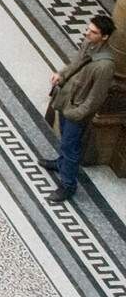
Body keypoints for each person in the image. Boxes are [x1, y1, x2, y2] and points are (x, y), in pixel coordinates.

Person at [46, 14, 116, 203]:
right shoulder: (89, 45)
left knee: (71, 146)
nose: (87, 33)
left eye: (93, 32)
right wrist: (61, 74)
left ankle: (68, 185)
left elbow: (96, 98)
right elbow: (76, 62)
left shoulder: (105, 66)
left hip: (77, 110)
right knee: (65, 140)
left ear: (105, 36)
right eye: (88, 29)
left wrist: (76, 114)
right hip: (67, 99)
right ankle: (60, 164)